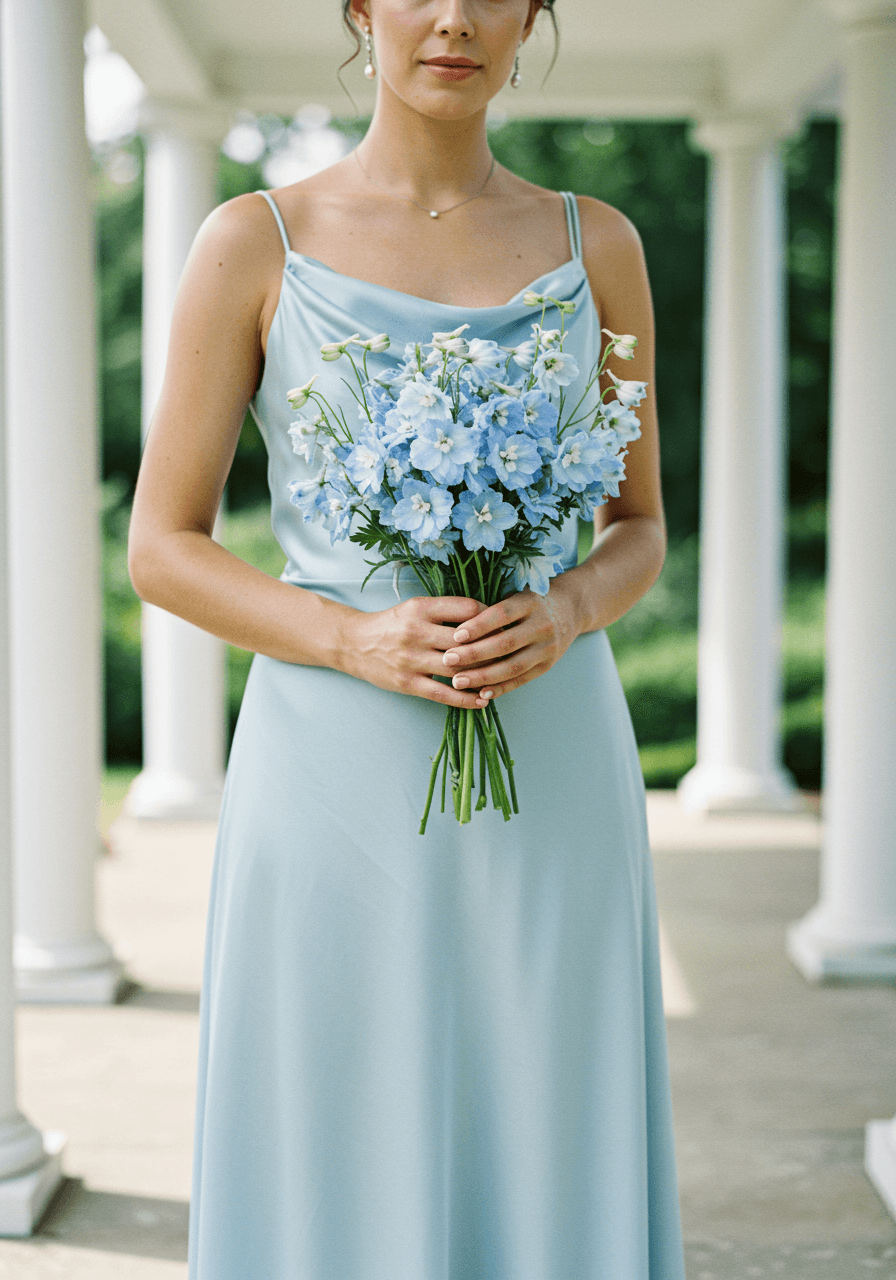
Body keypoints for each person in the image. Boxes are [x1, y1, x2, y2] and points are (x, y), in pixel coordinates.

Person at [128, 1, 687, 1275]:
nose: (453, 18)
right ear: (360, 8)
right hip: (328, 764)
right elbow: (162, 543)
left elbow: (642, 525)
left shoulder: (593, 243)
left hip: (549, 755)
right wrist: (348, 638)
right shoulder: (251, 241)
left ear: (534, 13)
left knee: (546, 1089)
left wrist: (564, 607)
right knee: (340, 1098)